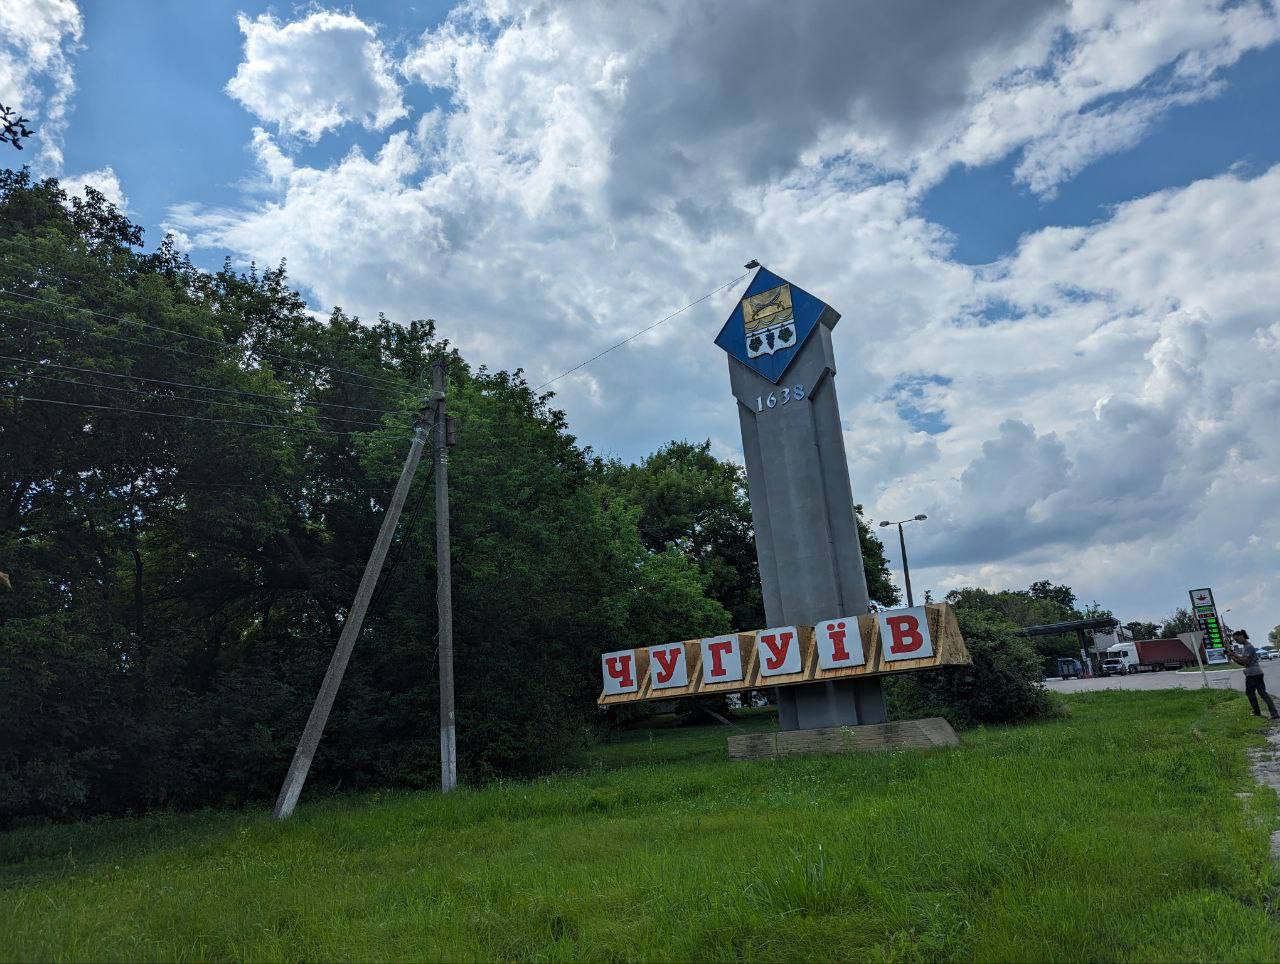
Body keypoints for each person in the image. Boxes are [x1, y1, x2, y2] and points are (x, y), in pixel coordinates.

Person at [1225, 629, 1279, 720]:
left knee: (1250, 693)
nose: (1236, 641)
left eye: (1237, 639)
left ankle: (1257, 712)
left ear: (1242, 636)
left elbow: (1246, 661)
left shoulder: (1248, 647)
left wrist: (1235, 654)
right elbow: (1244, 663)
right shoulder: (1245, 647)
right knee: (1263, 693)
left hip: (1253, 674)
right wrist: (1232, 657)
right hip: (1256, 672)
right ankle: (1274, 713)